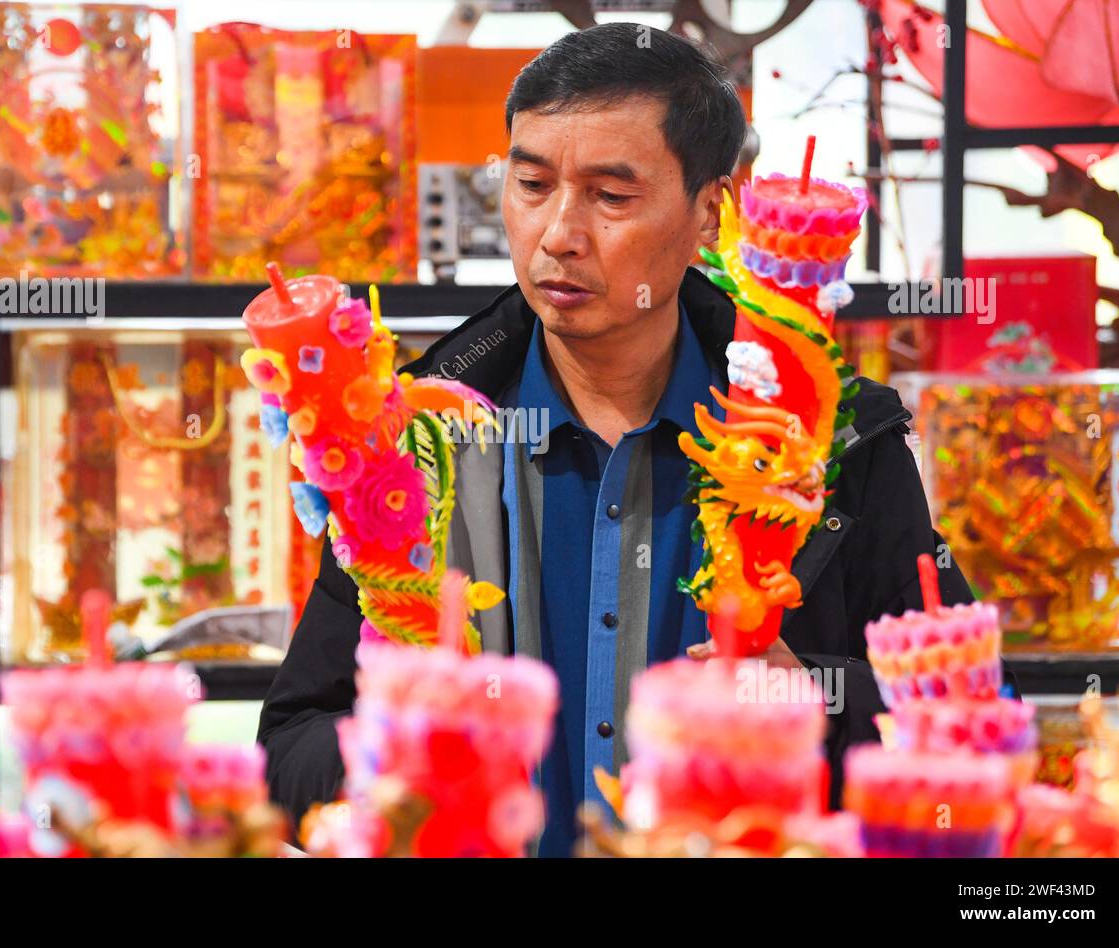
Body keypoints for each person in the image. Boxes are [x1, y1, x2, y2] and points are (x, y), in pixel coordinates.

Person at [258, 22, 987, 856]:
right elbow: (290, 741)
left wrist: (816, 699)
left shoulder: (833, 441)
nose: (559, 234)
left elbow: (958, 719)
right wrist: (389, 760)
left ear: (709, 212)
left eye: (611, 196)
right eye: (531, 184)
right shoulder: (417, 445)